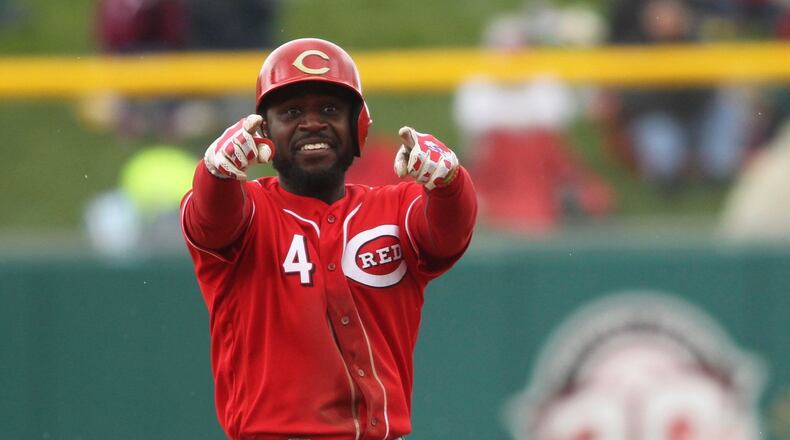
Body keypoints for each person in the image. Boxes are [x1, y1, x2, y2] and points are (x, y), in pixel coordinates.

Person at [180, 38, 477, 439]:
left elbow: (448, 233)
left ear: (359, 125)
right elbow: (210, 220)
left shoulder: (395, 206)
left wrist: (451, 184)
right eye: (292, 111)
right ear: (263, 130)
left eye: (330, 109)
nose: (312, 122)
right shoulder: (249, 210)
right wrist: (214, 173)